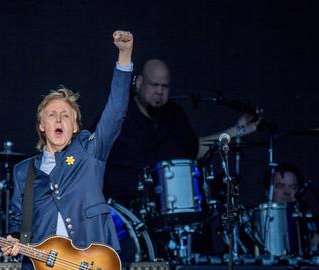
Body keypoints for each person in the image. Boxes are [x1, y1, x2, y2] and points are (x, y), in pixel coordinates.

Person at [0, 30, 133, 270]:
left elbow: (116, 111)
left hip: (85, 267)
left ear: (75, 127)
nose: (58, 119)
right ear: (41, 126)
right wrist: (13, 239)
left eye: (66, 115)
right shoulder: (23, 171)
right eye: (51, 115)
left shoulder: (90, 154)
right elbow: (18, 219)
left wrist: (125, 56)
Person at [103, 58, 260, 205]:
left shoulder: (174, 114)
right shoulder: (117, 115)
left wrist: (240, 129)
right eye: (154, 85)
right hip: (124, 211)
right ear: (139, 83)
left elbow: (195, 149)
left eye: (165, 86)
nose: (159, 91)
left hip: (167, 208)